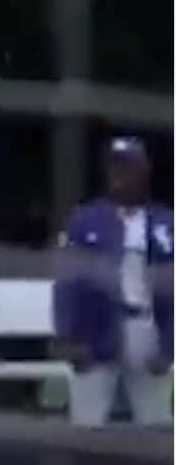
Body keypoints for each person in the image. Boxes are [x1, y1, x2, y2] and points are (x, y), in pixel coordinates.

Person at [54, 137, 173, 427]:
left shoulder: (166, 223)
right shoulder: (85, 221)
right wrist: (68, 336)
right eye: (115, 168)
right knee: (87, 425)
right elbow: (67, 282)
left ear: (144, 171)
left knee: (154, 425)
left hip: (147, 330)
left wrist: (169, 346)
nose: (120, 176)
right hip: (96, 332)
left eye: (128, 167)